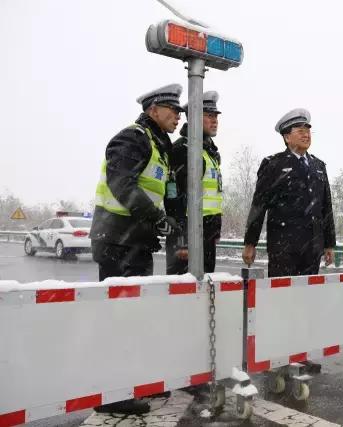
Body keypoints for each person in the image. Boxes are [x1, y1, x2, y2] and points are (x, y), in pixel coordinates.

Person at [89, 83, 184, 414]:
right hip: (116, 240)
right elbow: (121, 183)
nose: (177, 116)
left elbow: (156, 190)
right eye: (172, 110)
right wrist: (156, 217)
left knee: (133, 315)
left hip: (135, 242)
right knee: (121, 316)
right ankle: (112, 395)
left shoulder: (159, 145)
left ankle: (129, 384)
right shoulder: (133, 138)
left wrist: (167, 220)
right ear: (153, 110)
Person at [242, 108, 336, 277]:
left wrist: (329, 244)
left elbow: (326, 207)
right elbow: (259, 205)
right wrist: (250, 243)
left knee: (308, 297)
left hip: (313, 248)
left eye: (308, 131)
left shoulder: (318, 166)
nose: (306, 135)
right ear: (286, 137)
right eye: (300, 131)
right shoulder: (273, 164)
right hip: (283, 248)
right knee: (281, 298)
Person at [165, 91, 223, 274]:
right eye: (209, 116)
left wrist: (215, 230)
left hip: (206, 236)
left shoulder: (209, 152)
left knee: (205, 295)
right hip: (189, 238)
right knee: (184, 296)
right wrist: (182, 240)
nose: (214, 121)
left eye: (215, 116)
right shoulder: (184, 150)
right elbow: (173, 197)